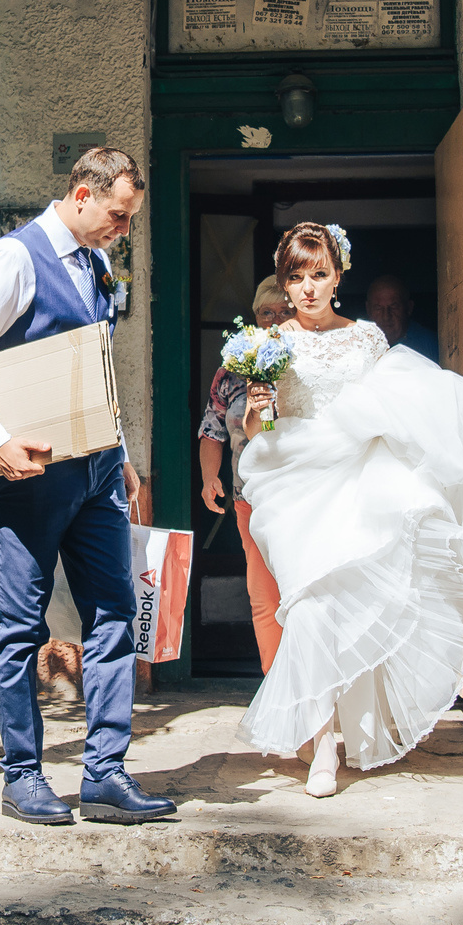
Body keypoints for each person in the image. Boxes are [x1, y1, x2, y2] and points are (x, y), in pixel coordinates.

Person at [237, 222, 463, 796]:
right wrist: (257, 407)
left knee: (353, 603)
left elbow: (400, 404)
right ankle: (321, 744)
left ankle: (339, 737)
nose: (308, 289)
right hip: (292, 487)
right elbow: (255, 428)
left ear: (338, 277)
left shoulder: (368, 338)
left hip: (360, 481)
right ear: (284, 284)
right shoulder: (269, 343)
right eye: (297, 277)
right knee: (308, 605)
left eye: (319, 275)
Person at [0, 146, 179, 828]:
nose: (123, 229)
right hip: (31, 477)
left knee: (114, 614)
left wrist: (124, 453)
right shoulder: (15, 258)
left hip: (99, 471)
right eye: (117, 214)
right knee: (20, 627)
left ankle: (104, 775)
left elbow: (96, 363)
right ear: (82, 195)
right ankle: (22, 777)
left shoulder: (97, 262)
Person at [197, 276, 289, 673]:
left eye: (286, 312)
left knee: (301, 590)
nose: (276, 321)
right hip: (248, 496)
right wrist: (208, 477)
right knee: (262, 592)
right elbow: (212, 428)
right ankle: (276, 682)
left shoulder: (306, 364)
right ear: (255, 317)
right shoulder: (232, 372)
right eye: (268, 313)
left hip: (302, 493)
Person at [362, 272, 440, 366]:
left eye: (394, 306)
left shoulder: (431, 345)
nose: (386, 316)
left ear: (409, 308)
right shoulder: (357, 344)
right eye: (378, 308)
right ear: (368, 309)